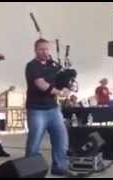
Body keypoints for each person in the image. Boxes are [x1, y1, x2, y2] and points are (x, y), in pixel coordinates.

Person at [25, 38, 70, 176]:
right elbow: (41, 84)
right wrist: (59, 92)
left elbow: (61, 80)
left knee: (62, 140)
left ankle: (59, 167)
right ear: (35, 50)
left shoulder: (53, 66)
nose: (45, 52)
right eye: (41, 49)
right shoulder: (32, 66)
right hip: (36, 110)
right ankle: (31, 171)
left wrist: (67, 85)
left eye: (47, 49)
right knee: (34, 143)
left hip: (54, 109)